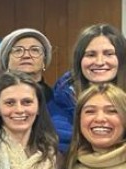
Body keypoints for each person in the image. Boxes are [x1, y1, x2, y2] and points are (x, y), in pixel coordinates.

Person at [49, 24, 126, 153]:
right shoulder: (58, 102)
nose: (100, 62)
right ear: (79, 60)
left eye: (108, 54)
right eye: (91, 55)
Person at [0, 28, 53, 102]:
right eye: (18, 50)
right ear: (7, 61)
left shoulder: (57, 100)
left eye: (34, 50)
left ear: (44, 62)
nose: (26, 55)